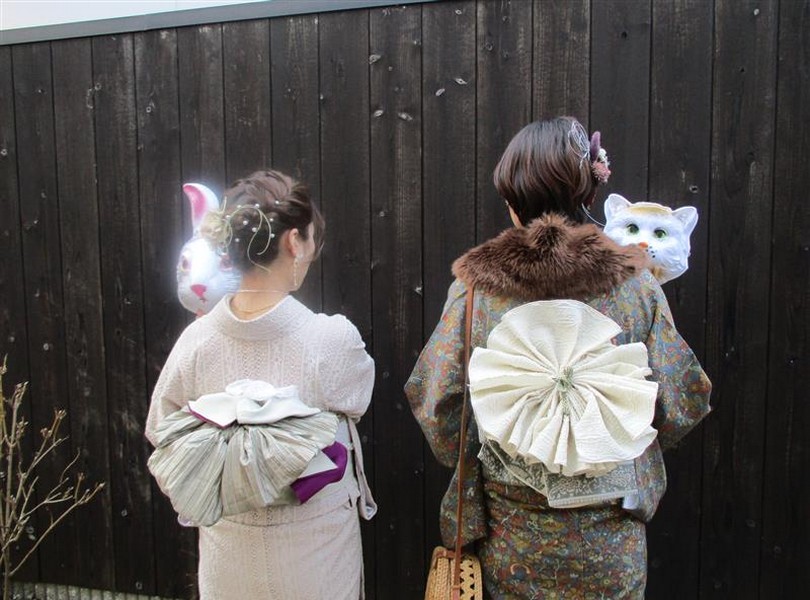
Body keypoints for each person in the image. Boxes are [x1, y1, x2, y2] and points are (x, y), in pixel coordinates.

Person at [405, 117, 711, 599]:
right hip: (610, 537)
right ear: (588, 193)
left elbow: (438, 402)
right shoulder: (637, 287)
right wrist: (614, 437)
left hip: (512, 535)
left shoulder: (475, 293)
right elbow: (682, 397)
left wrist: (506, 442)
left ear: (512, 201)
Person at [145, 170, 376, 599]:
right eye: (309, 238)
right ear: (293, 242)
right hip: (314, 549)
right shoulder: (331, 339)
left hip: (228, 549)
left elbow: (163, 429)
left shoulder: (196, 342)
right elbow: (356, 399)